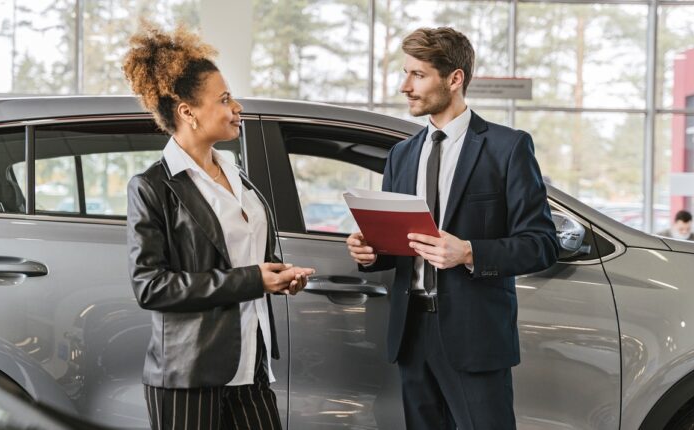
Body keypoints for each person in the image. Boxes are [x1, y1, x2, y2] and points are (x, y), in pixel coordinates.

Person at [346, 27, 559, 429]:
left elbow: (542, 244)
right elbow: (397, 246)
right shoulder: (401, 155)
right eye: (405, 73)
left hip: (474, 335)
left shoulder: (507, 147)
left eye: (417, 75)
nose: (404, 86)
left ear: (455, 78)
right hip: (412, 334)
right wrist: (370, 252)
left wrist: (470, 252)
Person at [123, 23, 314, 429]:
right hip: (189, 374)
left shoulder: (235, 173)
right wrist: (252, 280)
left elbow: (246, 254)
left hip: (251, 364)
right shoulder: (153, 187)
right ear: (187, 112)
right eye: (225, 99)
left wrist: (279, 275)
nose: (237, 108)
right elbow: (150, 286)